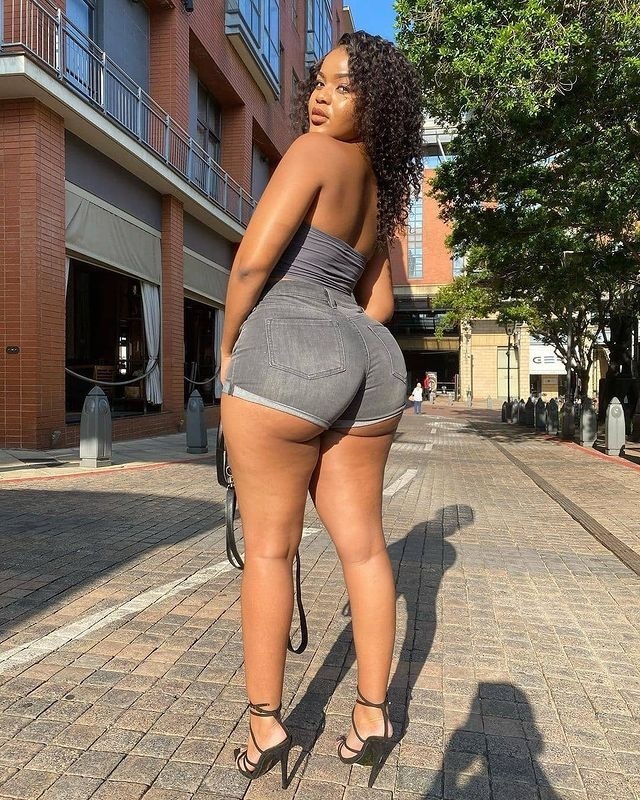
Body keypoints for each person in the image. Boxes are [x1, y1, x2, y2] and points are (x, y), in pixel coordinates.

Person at [219, 30, 423, 788]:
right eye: (319, 83)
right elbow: (380, 304)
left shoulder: (311, 156)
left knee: (271, 549)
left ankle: (265, 725)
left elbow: (252, 263)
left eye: (342, 87)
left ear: (375, 105)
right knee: (365, 548)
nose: (319, 98)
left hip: (288, 343)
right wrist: (344, 345)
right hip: (371, 357)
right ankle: (372, 714)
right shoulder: (383, 193)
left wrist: (230, 348)